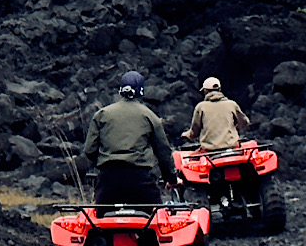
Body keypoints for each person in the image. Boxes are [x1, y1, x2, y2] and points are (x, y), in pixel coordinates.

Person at [82, 71, 178, 205]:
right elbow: (164, 153)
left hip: (108, 181)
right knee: (155, 216)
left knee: (101, 220)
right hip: (140, 180)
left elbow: (89, 150)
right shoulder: (150, 116)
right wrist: (171, 179)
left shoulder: (102, 114)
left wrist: (105, 162)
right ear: (141, 91)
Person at [181, 76, 250, 151]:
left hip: (210, 150)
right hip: (232, 146)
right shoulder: (231, 104)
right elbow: (244, 122)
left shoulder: (201, 107)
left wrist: (187, 135)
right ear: (220, 89)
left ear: (206, 91)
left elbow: (194, 132)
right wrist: (234, 127)